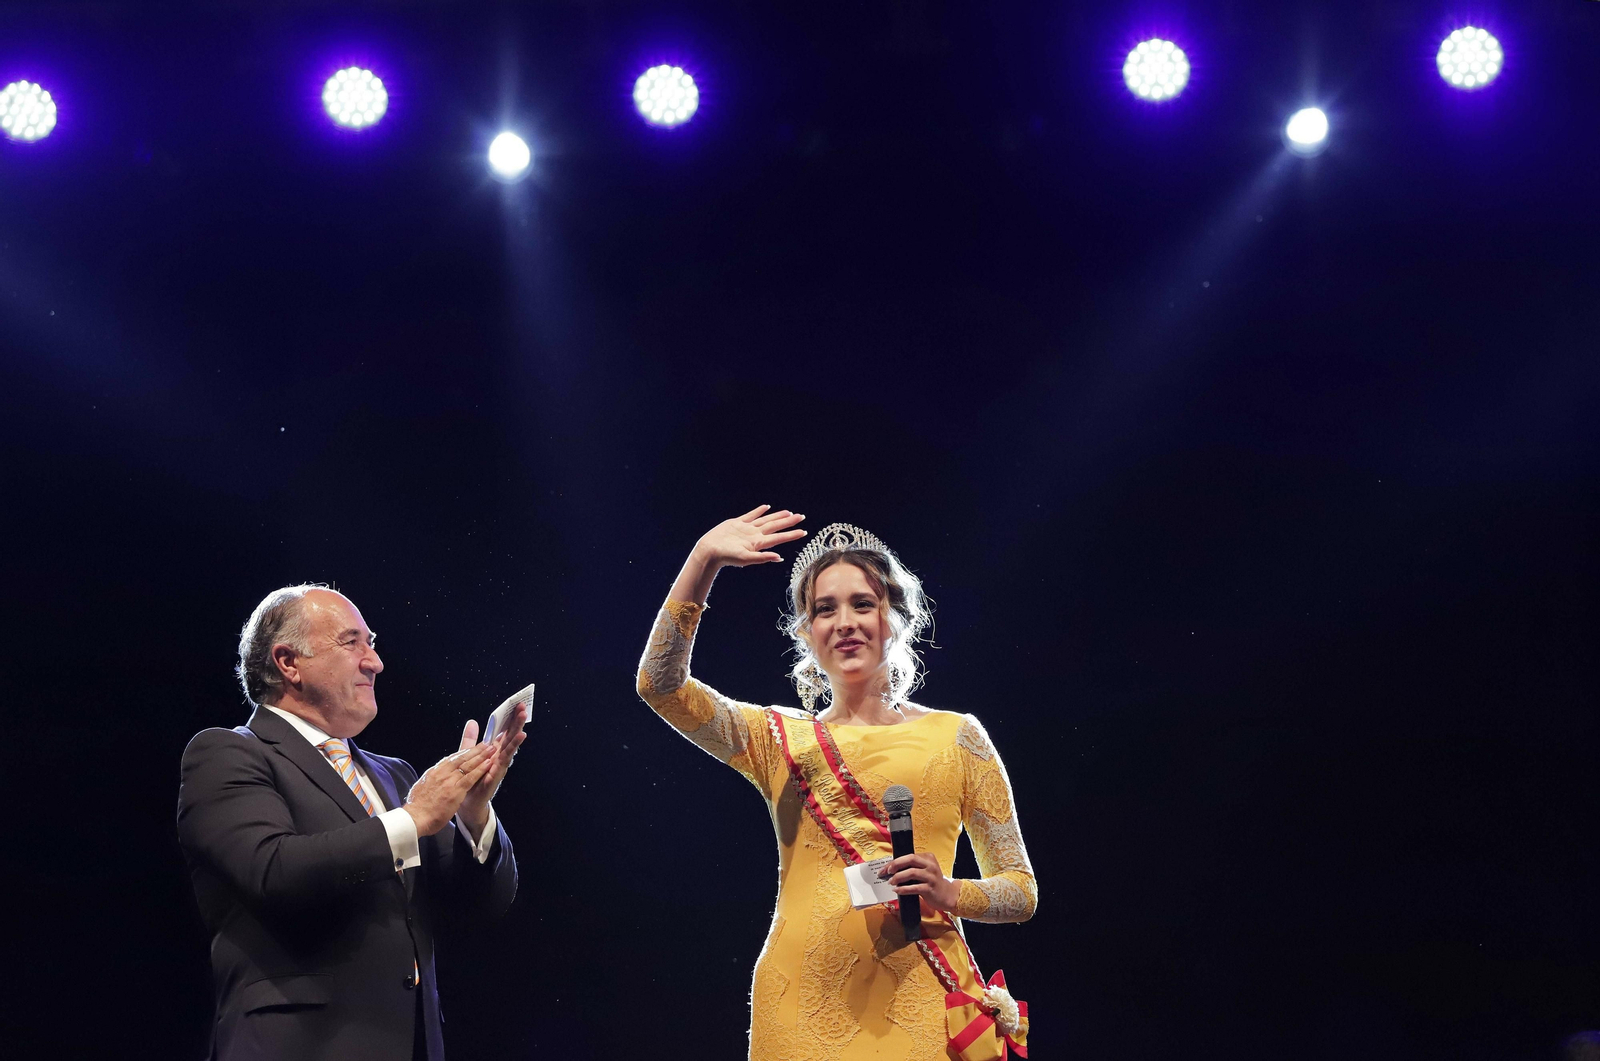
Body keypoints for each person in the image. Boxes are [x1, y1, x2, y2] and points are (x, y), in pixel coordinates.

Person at [637, 507, 1037, 1060]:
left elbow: (1020, 890)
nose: (844, 621)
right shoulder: (775, 737)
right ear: (807, 633)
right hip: (799, 1007)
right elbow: (660, 686)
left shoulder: (958, 737)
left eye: (863, 604)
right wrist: (703, 560)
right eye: (825, 609)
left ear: (895, 618)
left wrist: (950, 891)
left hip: (922, 1001)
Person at [177, 585, 526, 1061]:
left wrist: (473, 813)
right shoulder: (228, 754)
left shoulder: (395, 775)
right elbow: (273, 870)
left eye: (372, 642)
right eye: (352, 643)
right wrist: (413, 818)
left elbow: (480, 905)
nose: (375, 662)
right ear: (288, 662)